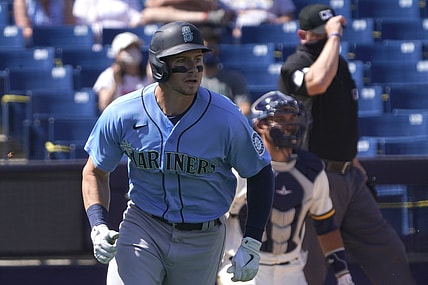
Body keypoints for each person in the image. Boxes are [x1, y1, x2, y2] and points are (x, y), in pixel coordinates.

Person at [81, 21, 274, 285]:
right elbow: (94, 171)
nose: (194, 70)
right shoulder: (123, 112)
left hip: (203, 238)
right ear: (160, 67)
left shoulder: (226, 117)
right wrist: (98, 224)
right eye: (182, 61)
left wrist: (251, 240)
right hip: (143, 224)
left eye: (198, 60)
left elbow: (261, 172)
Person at [277, 4, 417, 285]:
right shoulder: (296, 63)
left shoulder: (339, 66)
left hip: (348, 177)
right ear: (302, 35)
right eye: (320, 33)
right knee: (311, 267)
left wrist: (351, 159)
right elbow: (315, 83)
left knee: (388, 253)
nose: (329, 37)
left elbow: (338, 119)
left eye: (332, 31)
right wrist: (334, 37)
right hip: (313, 177)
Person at [217, 91, 354, 285]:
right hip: (242, 267)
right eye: (280, 119)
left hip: (292, 269)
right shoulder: (240, 167)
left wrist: (342, 274)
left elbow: (325, 224)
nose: (288, 126)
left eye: (292, 119)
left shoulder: (311, 170)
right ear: (259, 125)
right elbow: (216, 221)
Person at [93, 32, 152, 112]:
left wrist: (153, 80)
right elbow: (103, 106)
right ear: (117, 54)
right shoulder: (107, 75)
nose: (133, 52)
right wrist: (116, 84)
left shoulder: (149, 74)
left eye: (136, 48)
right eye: (128, 49)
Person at [201, 26, 252, 116]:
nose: (210, 52)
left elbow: (245, 107)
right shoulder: (192, 80)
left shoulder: (233, 77)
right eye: (206, 48)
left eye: (213, 47)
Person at [218, 0, 296, 39]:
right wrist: (233, 27)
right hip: (240, 34)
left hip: (268, 33)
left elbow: (289, 17)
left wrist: (273, 24)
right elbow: (224, 17)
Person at [72, 0, 143, 42]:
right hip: (97, 41)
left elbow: (137, 18)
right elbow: (81, 24)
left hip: (124, 41)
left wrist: (124, 34)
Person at [140, 0, 234, 27]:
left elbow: (210, 4)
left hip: (202, 24)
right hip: (167, 23)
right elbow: (155, 3)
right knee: (150, 13)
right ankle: (206, 17)